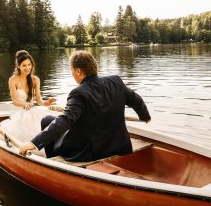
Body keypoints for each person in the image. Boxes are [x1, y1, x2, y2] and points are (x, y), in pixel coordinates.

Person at [19, 50, 151, 162]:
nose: (71, 73)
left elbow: (65, 120)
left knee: (46, 120)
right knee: (48, 119)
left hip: (91, 151)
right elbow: (136, 100)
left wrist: (33, 143)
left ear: (78, 71)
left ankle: (53, 162)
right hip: (119, 145)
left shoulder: (79, 92)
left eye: (71, 70)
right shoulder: (115, 81)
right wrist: (145, 116)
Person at [0, 50, 57, 144]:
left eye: (29, 64)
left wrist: (47, 103)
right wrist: (24, 103)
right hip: (19, 112)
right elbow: (14, 101)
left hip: (32, 111)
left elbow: (39, 100)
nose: (27, 68)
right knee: (28, 126)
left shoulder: (35, 80)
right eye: (24, 65)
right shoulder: (13, 80)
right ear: (18, 66)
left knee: (50, 121)